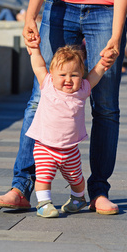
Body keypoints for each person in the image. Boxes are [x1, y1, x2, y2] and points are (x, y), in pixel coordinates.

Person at [0, 0, 127, 215]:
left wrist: (116, 34)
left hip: (106, 10)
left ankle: (98, 192)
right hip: (60, 5)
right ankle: (21, 187)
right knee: (40, 97)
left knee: (105, 106)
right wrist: (31, 15)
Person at [26, 45, 106, 218]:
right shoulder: (47, 84)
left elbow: (95, 75)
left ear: (81, 76)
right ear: (52, 75)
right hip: (45, 146)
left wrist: (104, 63)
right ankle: (44, 203)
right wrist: (34, 50)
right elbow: (39, 66)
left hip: (70, 149)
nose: (68, 80)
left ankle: (78, 198)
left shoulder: (82, 90)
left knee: (76, 179)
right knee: (43, 176)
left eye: (74, 75)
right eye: (62, 75)